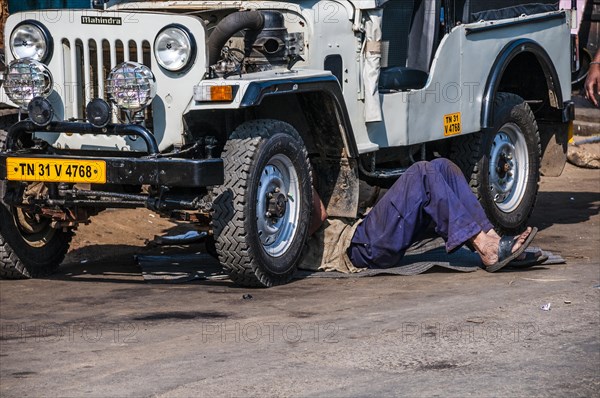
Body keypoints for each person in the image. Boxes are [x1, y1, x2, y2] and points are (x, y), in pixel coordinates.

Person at [305, 158, 538, 273]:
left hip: (365, 230)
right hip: (354, 247)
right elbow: (319, 215)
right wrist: (302, 179)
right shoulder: (287, 184)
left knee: (442, 167)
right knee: (422, 173)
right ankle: (486, 248)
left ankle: (491, 237)